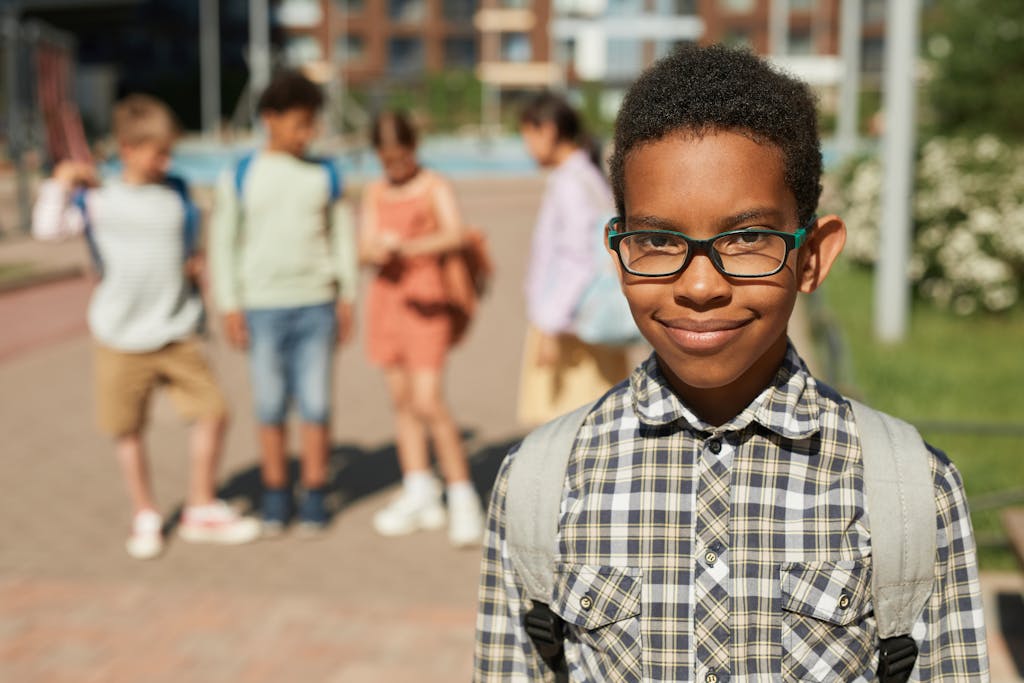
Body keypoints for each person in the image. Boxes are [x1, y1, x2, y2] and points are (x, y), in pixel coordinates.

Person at [475, 45, 988, 680]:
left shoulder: (912, 492)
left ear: (813, 256)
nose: (698, 286)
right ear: (618, 254)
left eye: (747, 239)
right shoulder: (538, 486)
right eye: (659, 240)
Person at [32, 94, 260, 560]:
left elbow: (187, 247)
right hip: (119, 336)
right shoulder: (99, 199)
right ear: (128, 148)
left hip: (177, 331)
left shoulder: (176, 194)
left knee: (214, 412)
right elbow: (48, 229)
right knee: (128, 428)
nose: (167, 160)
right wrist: (61, 181)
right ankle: (145, 512)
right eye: (158, 152)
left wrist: (196, 270)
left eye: (169, 151)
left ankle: (199, 506)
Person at [209, 70, 358, 535]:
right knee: (270, 405)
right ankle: (276, 494)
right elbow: (222, 244)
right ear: (270, 119)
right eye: (299, 123)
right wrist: (230, 304)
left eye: (312, 123)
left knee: (315, 404)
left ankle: (314, 493)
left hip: (316, 305)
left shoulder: (325, 173)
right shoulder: (240, 174)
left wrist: (347, 295)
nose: (308, 133)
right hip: (262, 308)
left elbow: (342, 239)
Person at [360, 110, 485, 547]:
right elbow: (363, 246)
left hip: (428, 300)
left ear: (413, 148)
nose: (394, 166)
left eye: (401, 156)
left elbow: (455, 235)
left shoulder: (433, 186)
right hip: (387, 302)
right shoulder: (375, 191)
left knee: (429, 400)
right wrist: (377, 250)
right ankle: (419, 488)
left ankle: (461, 493)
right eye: (386, 158)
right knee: (401, 401)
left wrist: (407, 247)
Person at [517, 93, 630, 427]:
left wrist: (550, 324)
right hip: (586, 320)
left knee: (566, 429)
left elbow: (577, 260)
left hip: (571, 326)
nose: (527, 148)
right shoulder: (587, 176)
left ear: (548, 130)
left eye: (528, 136)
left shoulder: (569, 181)